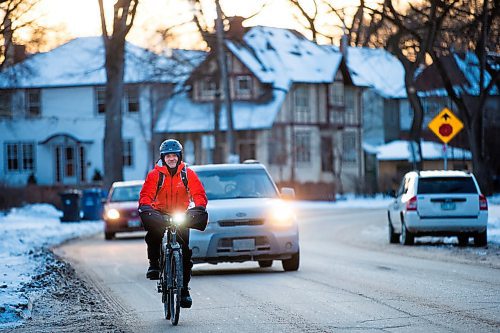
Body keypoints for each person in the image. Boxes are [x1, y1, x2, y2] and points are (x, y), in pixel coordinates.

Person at [138, 139, 207, 308]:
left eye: (174, 156)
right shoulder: (155, 175)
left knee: (184, 252)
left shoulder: (187, 174)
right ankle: (154, 264)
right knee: (153, 234)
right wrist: (147, 207)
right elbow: (146, 195)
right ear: (163, 157)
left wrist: (198, 207)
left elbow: (198, 193)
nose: (171, 159)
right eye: (168, 156)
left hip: (180, 213)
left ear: (179, 156)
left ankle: (184, 291)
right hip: (159, 212)